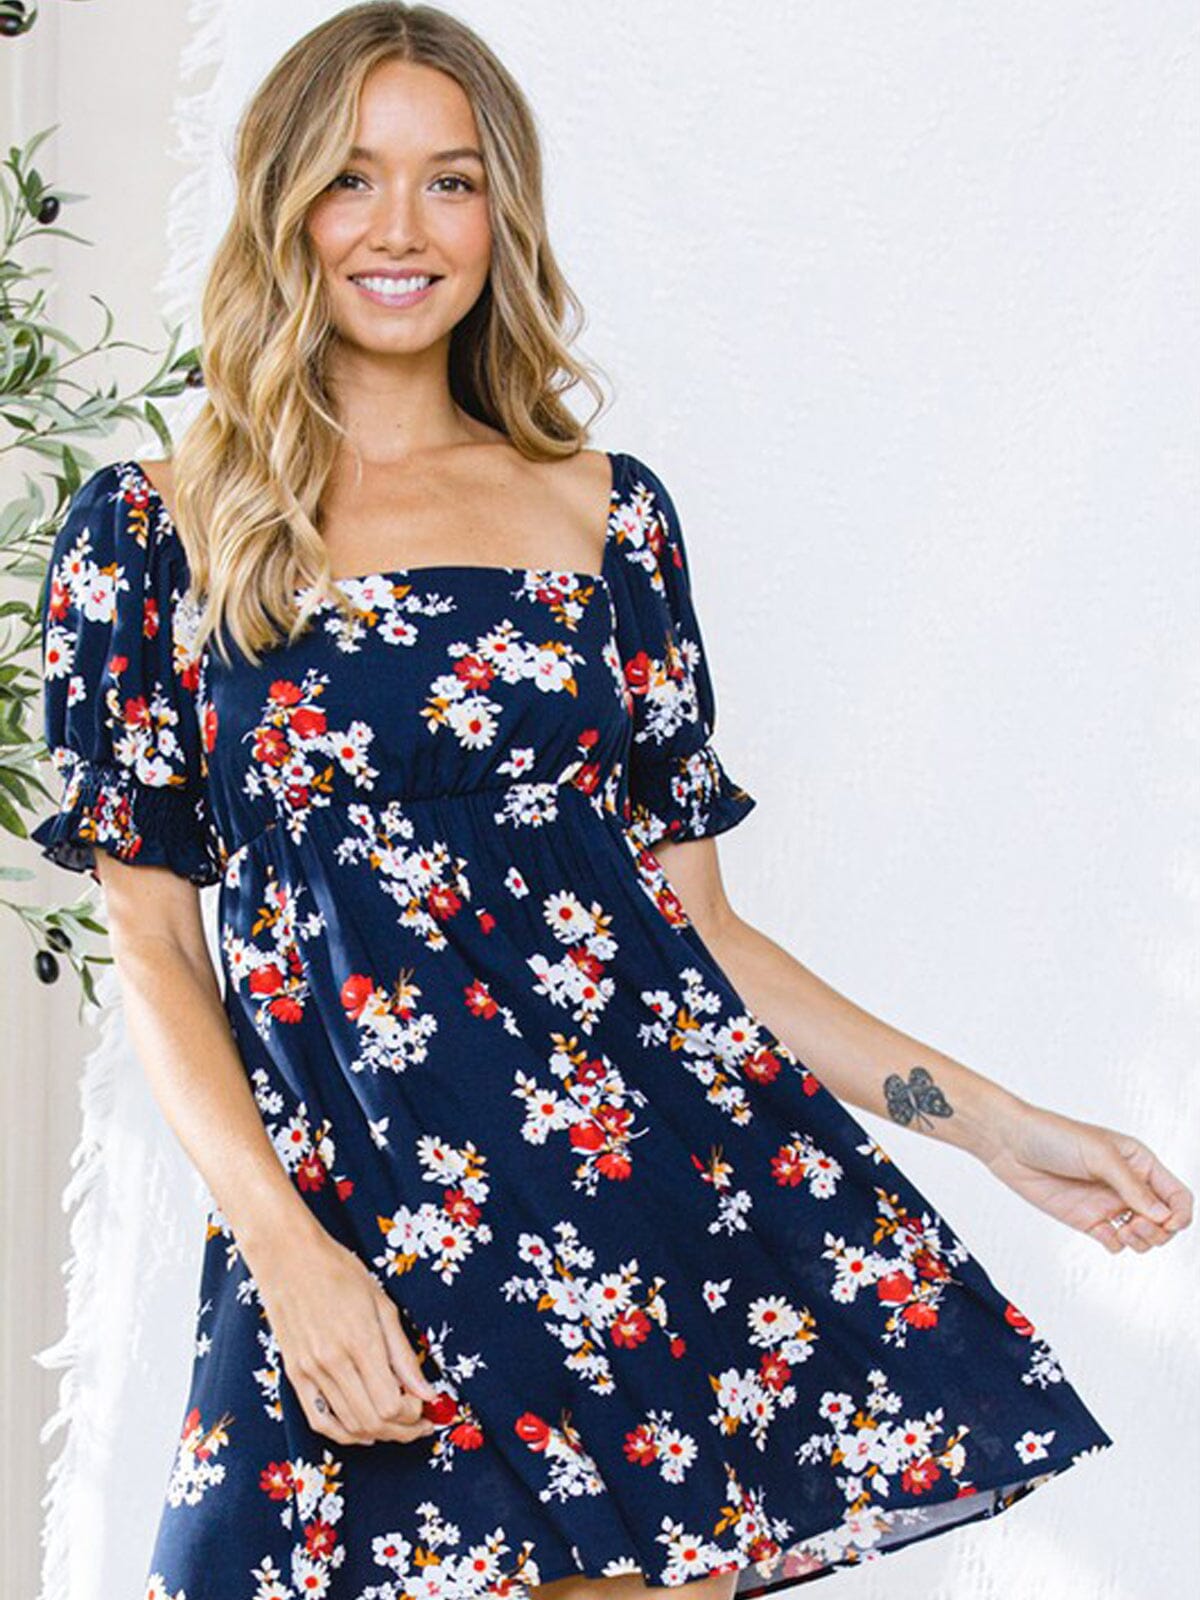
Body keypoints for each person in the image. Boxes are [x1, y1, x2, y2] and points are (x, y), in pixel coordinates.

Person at [31, 5, 1191, 1598]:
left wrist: (999, 1126)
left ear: (501, 215)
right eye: (352, 178)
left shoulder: (606, 517)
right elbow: (157, 947)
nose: (399, 227)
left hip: (635, 1204)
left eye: (451, 181)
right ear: (282, 204)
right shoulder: (158, 528)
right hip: (355, 1223)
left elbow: (699, 935)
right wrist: (289, 1255)